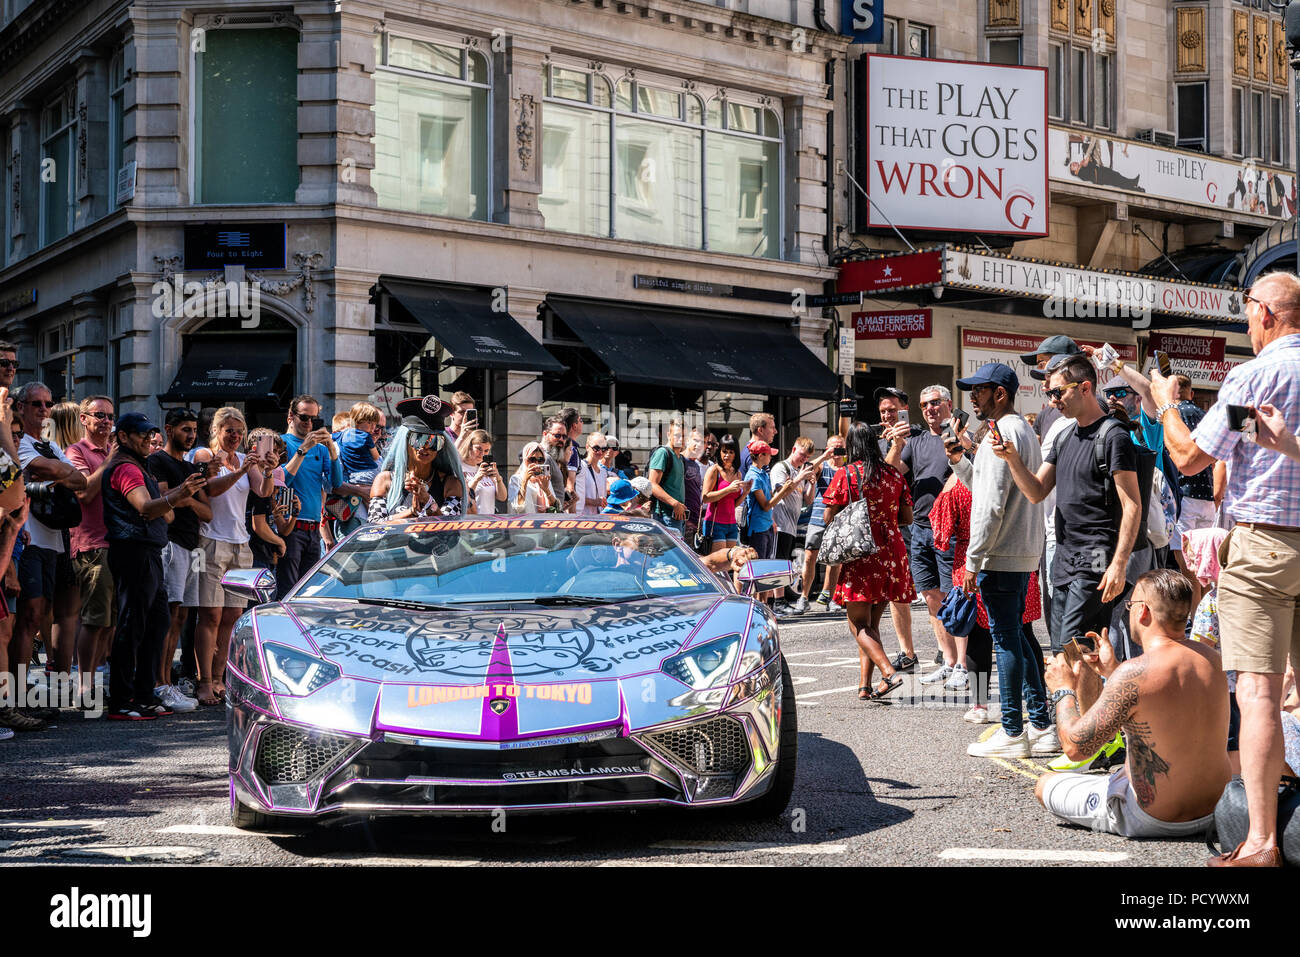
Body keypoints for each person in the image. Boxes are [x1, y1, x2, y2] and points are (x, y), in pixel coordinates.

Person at [1150, 271, 1300, 866]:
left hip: (1263, 547)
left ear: (1265, 312)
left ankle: (1262, 840)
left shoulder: (1254, 376)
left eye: (1246, 313)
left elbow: (1190, 457)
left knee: (1260, 694)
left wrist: (1165, 407)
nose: (1246, 324)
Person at [1038, 569, 1231, 840]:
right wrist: (1112, 672)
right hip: (1214, 810)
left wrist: (1063, 690)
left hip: (1153, 816)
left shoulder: (1136, 673)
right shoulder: (1213, 659)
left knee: (1045, 784)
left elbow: (1075, 748)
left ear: (1143, 611)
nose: (1128, 611)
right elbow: (1164, 706)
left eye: (1130, 605)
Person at [995, 356, 1143, 655]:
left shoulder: (1114, 436)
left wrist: (1119, 564)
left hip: (1096, 557)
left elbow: (1132, 505)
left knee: (1071, 644)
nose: (1053, 401)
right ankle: (1084, 701)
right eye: (1049, 394)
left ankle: (1080, 700)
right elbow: (1036, 492)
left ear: (1085, 387)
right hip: (1063, 557)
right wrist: (1012, 459)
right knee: (1073, 650)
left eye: (1057, 392)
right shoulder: (1063, 437)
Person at [949, 362, 1055, 758]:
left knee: (1006, 640)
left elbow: (990, 507)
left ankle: (1012, 729)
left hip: (1001, 553)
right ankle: (1042, 725)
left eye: (979, 389)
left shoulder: (998, 431)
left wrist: (973, 561)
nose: (972, 396)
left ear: (1001, 393)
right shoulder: (1020, 429)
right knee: (1022, 636)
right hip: (1022, 550)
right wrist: (961, 462)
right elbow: (989, 487)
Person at [103, 413, 207, 720]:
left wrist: (175, 496)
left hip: (149, 551)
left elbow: (164, 512)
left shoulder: (141, 466)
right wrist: (180, 494)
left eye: (152, 434)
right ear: (123, 437)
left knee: (157, 623)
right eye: (143, 434)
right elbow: (147, 508)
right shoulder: (125, 467)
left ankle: (145, 693)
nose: (150, 439)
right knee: (133, 624)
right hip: (133, 551)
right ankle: (122, 699)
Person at [820, 421, 913, 701]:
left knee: (858, 624)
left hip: (860, 554)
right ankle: (864, 685)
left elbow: (828, 517)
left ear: (852, 446)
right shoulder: (894, 475)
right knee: (871, 623)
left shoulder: (846, 474)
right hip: (890, 553)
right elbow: (907, 518)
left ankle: (889, 672)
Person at [11, 382, 87, 713]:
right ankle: (15, 695)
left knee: (53, 613)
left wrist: (60, 472)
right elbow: (48, 470)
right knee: (28, 617)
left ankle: (47, 688)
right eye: (37, 404)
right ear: (21, 407)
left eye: (48, 404)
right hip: (28, 539)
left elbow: (81, 481)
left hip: (57, 540)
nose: (44, 410)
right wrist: (60, 474)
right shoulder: (18, 444)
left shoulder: (50, 445)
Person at [192, 407, 271, 707]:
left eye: (239, 431)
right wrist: (239, 470)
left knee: (232, 615)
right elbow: (211, 490)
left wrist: (266, 469)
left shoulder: (243, 460)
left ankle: (219, 678)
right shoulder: (205, 456)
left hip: (241, 543)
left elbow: (263, 491)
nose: (235, 436)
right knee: (210, 614)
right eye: (229, 430)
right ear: (217, 431)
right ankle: (202, 681)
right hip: (211, 540)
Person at [889, 385, 963, 686]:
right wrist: (896, 442)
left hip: (949, 526)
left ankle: (962, 664)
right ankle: (948, 660)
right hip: (919, 527)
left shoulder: (954, 435)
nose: (929, 409)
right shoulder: (915, 440)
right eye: (924, 405)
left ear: (947, 404)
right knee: (931, 594)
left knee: (951, 595)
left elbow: (966, 470)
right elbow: (892, 470)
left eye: (934, 403)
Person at [147, 408, 212, 703]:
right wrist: (181, 496)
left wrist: (183, 498)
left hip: (192, 545)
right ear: (169, 429)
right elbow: (163, 502)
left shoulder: (189, 469)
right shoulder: (157, 461)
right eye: (185, 429)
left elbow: (206, 512)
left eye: (194, 430)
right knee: (168, 614)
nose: (191, 435)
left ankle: (166, 679)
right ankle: (159, 682)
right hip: (170, 544)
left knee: (182, 615)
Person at [65, 397, 117, 700]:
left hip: (118, 542)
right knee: (94, 619)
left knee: (110, 621)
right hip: (92, 543)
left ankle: (98, 675)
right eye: (100, 416)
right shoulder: (77, 451)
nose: (106, 421)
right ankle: (83, 685)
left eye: (110, 417)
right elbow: (84, 493)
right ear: (84, 419)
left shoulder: (114, 450)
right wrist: (110, 461)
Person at [874, 386, 922, 672]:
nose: (888, 416)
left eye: (893, 410)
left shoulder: (914, 437)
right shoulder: (880, 441)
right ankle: (907, 651)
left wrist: (897, 442)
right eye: (883, 412)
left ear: (905, 409)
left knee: (930, 590)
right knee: (895, 591)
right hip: (889, 524)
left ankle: (948, 651)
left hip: (915, 521)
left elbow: (890, 473)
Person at [279, 395, 345, 599]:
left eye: (314, 419)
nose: (309, 423)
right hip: (290, 525)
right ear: (291, 417)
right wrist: (303, 449)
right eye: (304, 418)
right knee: (288, 590)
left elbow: (336, 483)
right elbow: (282, 481)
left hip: (313, 527)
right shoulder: (282, 442)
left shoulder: (320, 448)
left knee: (307, 592)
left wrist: (332, 449)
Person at [368, 396, 464, 521]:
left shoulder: (450, 483)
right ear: (405, 440)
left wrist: (428, 501)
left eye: (434, 441)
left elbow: (451, 526)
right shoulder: (385, 480)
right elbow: (374, 527)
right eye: (418, 438)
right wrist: (411, 512)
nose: (426, 447)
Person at [789, 435, 845, 615]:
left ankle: (831, 597)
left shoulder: (846, 468)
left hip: (839, 519)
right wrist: (824, 456)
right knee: (809, 557)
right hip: (818, 517)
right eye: (833, 448)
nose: (837, 452)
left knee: (835, 560)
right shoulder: (824, 466)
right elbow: (807, 468)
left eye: (840, 448)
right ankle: (803, 597)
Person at [768, 437, 821, 609]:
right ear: (793, 449)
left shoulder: (800, 472)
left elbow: (808, 500)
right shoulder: (781, 468)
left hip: (792, 525)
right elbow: (780, 492)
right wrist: (800, 477)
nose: (803, 459)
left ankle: (780, 601)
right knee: (778, 563)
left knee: (784, 564)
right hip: (779, 522)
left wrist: (811, 483)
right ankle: (778, 601)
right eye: (801, 455)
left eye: (806, 458)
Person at [245, 429, 289, 572]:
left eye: (277, 452)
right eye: (272, 450)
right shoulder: (254, 474)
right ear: (255, 449)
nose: (276, 456)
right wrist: (279, 541)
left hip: (261, 552)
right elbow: (259, 525)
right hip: (255, 553)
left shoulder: (264, 475)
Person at [701, 434, 746, 556]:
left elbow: (734, 504)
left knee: (728, 565)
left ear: (736, 453)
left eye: (731, 452)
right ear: (719, 452)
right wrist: (728, 489)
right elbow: (705, 498)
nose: (727, 455)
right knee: (717, 564)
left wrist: (745, 492)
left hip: (731, 525)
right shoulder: (714, 470)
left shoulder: (737, 474)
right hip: (715, 523)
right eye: (724, 451)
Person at [335, 401, 384, 489]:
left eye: (375, 425)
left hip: (354, 478)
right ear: (357, 421)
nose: (374, 429)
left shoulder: (343, 435)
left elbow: (331, 436)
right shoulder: (365, 437)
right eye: (370, 423)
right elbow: (376, 457)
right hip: (367, 478)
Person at [458, 429, 506, 515]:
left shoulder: (485, 469)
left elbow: (502, 498)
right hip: (470, 523)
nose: (482, 454)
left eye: (486, 451)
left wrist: (498, 479)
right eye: (479, 449)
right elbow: (463, 496)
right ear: (469, 446)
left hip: (489, 523)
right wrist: (477, 478)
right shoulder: (460, 468)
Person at [510, 442, 559, 514]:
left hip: (543, 523)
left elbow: (554, 507)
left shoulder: (544, 479)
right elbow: (517, 507)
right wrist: (525, 481)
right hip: (525, 523)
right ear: (525, 460)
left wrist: (546, 490)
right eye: (532, 459)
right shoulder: (516, 479)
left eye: (540, 460)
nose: (536, 463)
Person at [539, 415, 571, 510]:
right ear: (545, 434)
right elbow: (540, 489)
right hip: (548, 517)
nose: (561, 440)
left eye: (564, 437)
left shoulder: (551, 458)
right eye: (557, 435)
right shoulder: (543, 458)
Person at [576, 433, 608, 515]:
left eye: (604, 449)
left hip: (598, 519)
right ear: (587, 447)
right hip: (583, 518)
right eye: (596, 448)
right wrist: (594, 502)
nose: (600, 452)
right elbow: (574, 496)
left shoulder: (603, 471)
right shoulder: (581, 467)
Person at [739, 412, 777, 476]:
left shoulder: (751, 451)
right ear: (760, 430)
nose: (775, 431)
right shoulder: (753, 453)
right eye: (772, 428)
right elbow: (756, 484)